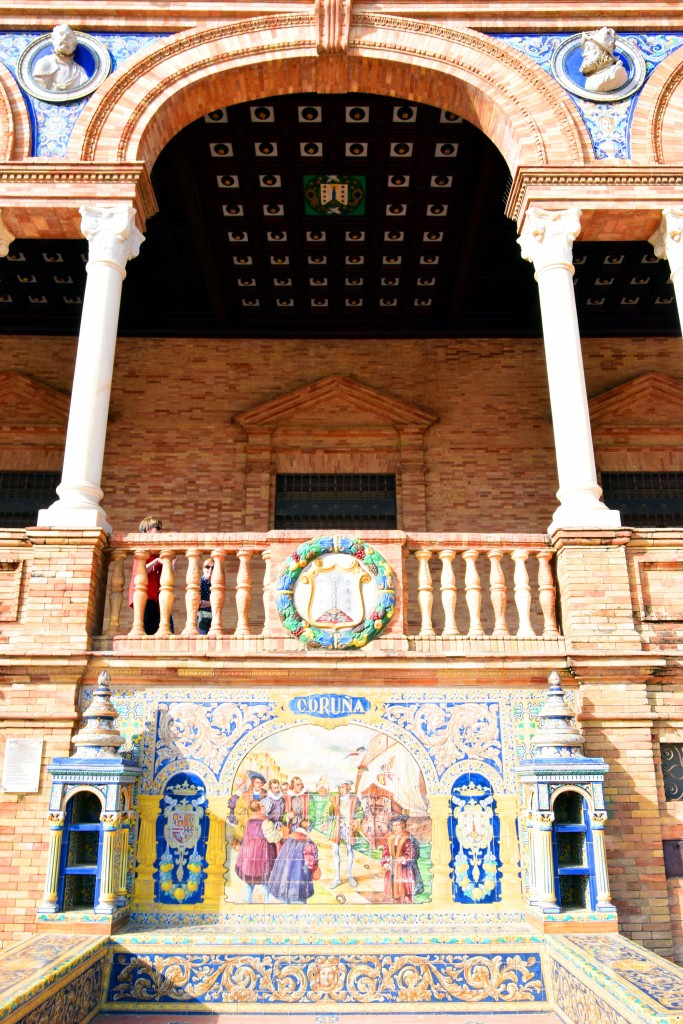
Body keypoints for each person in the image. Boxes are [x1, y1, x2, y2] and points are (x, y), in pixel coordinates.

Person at [127, 516, 173, 636]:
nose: (161, 531)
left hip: (156, 598)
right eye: (158, 528)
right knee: (146, 630)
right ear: (148, 530)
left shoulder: (155, 552)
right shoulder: (142, 550)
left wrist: (169, 565)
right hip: (145, 597)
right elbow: (140, 572)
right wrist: (156, 561)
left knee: (162, 629)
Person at [234, 799, 277, 903]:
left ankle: (247, 897)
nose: (264, 807)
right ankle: (266, 900)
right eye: (262, 805)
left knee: (252, 875)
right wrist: (279, 835)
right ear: (259, 808)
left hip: (251, 852)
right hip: (263, 851)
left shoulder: (250, 820)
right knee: (265, 875)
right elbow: (272, 837)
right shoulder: (265, 821)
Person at [267, 819, 320, 904]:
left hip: (286, 872)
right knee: (300, 899)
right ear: (309, 829)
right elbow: (311, 863)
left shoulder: (289, 838)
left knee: (286, 896)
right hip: (300, 875)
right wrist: (315, 868)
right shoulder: (308, 842)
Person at [325, 780, 364, 889]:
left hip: (349, 827)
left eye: (343, 787)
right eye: (340, 787)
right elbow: (327, 811)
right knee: (335, 850)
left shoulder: (355, 799)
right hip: (337, 827)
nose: (342, 789)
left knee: (349, 849)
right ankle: (337, 878)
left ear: (349, 788)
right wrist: (326, 821)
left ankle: (349, 876)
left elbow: (360, 812)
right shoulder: (334, 799)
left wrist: (358, 821)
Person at [33, 24, 90, 93]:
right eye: (61, 34)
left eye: (69, 37)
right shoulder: (44, 64)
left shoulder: (80, 72)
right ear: (53, 40)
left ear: (74, 46)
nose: (65, 38)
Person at [381, 814, 424, 904]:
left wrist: (403, 858)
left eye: (397, 825)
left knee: (407, 892)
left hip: (406, 869)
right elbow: (386, 851)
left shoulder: (408, 837)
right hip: (393, 868)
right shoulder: (391, 838)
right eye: (393, 825)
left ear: (403, 825)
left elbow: (413, 852)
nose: (395, 827)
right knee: (394, 892)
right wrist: (386, 863)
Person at [579, 27, 628, 94]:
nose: (584, 54)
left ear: (604, 52)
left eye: (590, 48)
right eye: (585, 50)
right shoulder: (591, 78)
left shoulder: (616, 72)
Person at [197, 558, 214, 634]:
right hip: (202, 618)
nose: (210, 569)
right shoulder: (200, 582)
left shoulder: (211, 584)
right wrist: (213, 602)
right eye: (208, 567)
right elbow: (197, 603)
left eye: (213, 568)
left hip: (210, 619)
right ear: (203, 569)